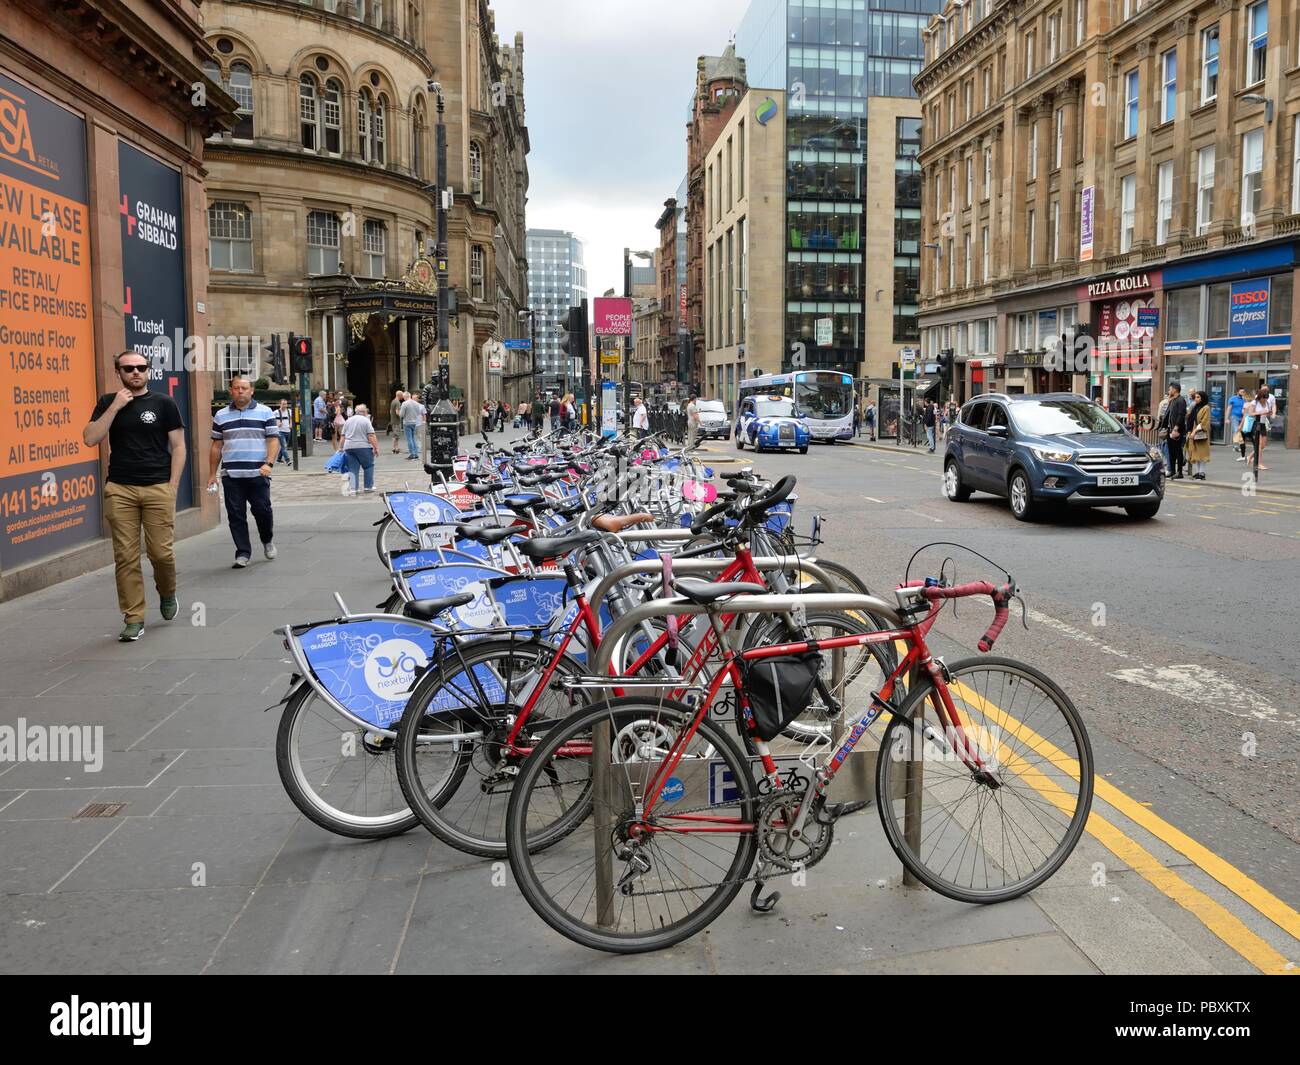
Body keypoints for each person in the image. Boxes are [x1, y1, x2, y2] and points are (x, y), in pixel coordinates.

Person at [83, 351, 186, 641]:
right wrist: (115, 406)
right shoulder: (107, 403)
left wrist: (172, 487)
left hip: (157, 487)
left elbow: (178, 446)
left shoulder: (163, 403)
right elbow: (90, 437)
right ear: (119, 372)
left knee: (161, 554)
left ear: (149, 370)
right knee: (125, 558)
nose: (135, 372)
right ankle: (134, 617)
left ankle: (167, 592)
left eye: (141, 367)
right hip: (120, 488)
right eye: (128, 369)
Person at [207, 374, 280, 569]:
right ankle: (243, 552)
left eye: (244, 388)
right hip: (232, 475)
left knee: (262, 511)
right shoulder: (221, 415)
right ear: (231, 391)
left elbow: (273, 440)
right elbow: (216, 446)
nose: (240, 391)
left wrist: (269, 464)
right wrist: (212, 475)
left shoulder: (265, 412)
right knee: (235, 515)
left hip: (259, 473)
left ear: (252, 391)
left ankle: (267, 539)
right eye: (236, 388)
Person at [341, 404, 380, 494]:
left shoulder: (348, 420)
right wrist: (376, 447)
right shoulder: (366, 421)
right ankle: (368, 487)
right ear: (364, 412)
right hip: (363, 447)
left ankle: (354, 488)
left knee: (353, 468)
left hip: (349, 447)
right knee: (368, 466)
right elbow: (371, 435)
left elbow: (343, 436)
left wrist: (340, 448)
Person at [1246, 385, 1277, 470]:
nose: (1265, 400)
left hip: (1263, 424)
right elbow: (1250, 413)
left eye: (1266, 398)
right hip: (1256, 424)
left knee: (1263, 445)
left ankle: (1249, 456)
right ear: (1260, 397)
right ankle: (1259, 463)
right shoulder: (1254, 402)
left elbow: (1267, 412)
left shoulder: (1267, 402)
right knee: (1259, 445)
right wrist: (1260, 412)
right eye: (1264, 398)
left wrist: (1269, 413)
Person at [1161, 383, 1187, 480]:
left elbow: (1181, 414)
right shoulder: (1173, 400)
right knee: (1171, 451)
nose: (1169, 391)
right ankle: (1172, 470)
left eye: (1170, 389)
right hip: (1170, 429)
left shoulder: (1181, 400)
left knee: (1178, 451)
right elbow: (1168, 415)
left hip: (1177, 430)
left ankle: (1179, 472)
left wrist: (1176, 427)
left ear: (1175, 390)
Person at [1185, 389, 1211, 480]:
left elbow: (1204, 422)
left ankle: (1202, 472)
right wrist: (1189, 431)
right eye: (1195, 397)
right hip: (1194, 432)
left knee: (1202, 453)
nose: (1196, 399)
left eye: (1198, 397)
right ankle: (1198, 472)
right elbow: (1191, 419)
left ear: (1202, 398)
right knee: (1196, 453)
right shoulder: (1196, 407)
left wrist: (1194, 431)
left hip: (1201, 433)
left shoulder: (1206, 408)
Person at [399, 390, 423, 460]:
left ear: (404, 397)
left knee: (409, 439)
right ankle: (415, 453)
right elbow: (418, 412)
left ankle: (412, 454)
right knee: (413, 438)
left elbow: (401, 415)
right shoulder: (416, 403)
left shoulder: (404, 403)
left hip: (407, 422)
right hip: (415, 422)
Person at [1155, 391, 1172, 474]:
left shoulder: (1163, 402)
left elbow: (1160, 416)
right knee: (1165, 448)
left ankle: (1166, 465)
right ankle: (1167, 466)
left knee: (1164, 448)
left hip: (1163, 429)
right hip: (1166, 429)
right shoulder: (1167, 403)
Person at [1229, 388, 1248, 461]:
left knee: (1242, 431)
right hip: (1235, 416)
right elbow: (1229, 408)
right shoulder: (1233, 399)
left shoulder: (1244, 399)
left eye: (1243, 391)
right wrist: (1227, 418)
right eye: (1241, 391)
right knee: (1236, 430)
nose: (1243, 392)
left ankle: (1241, 445)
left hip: (1243, 417)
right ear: (1237, 392)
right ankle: (1236, 446)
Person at [274, 398, 293, 464]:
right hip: (280, 431)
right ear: (280, 404)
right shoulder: (276, 412)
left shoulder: (289, 411)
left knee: (284, 446)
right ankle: (287, 460)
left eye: (285, 404)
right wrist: (277, 424)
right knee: (284, 446)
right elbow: (271, 421)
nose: (284, 406)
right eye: (283, 404)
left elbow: (291, 419)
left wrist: (290, 424)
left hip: (288, 430)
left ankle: (279, 459)